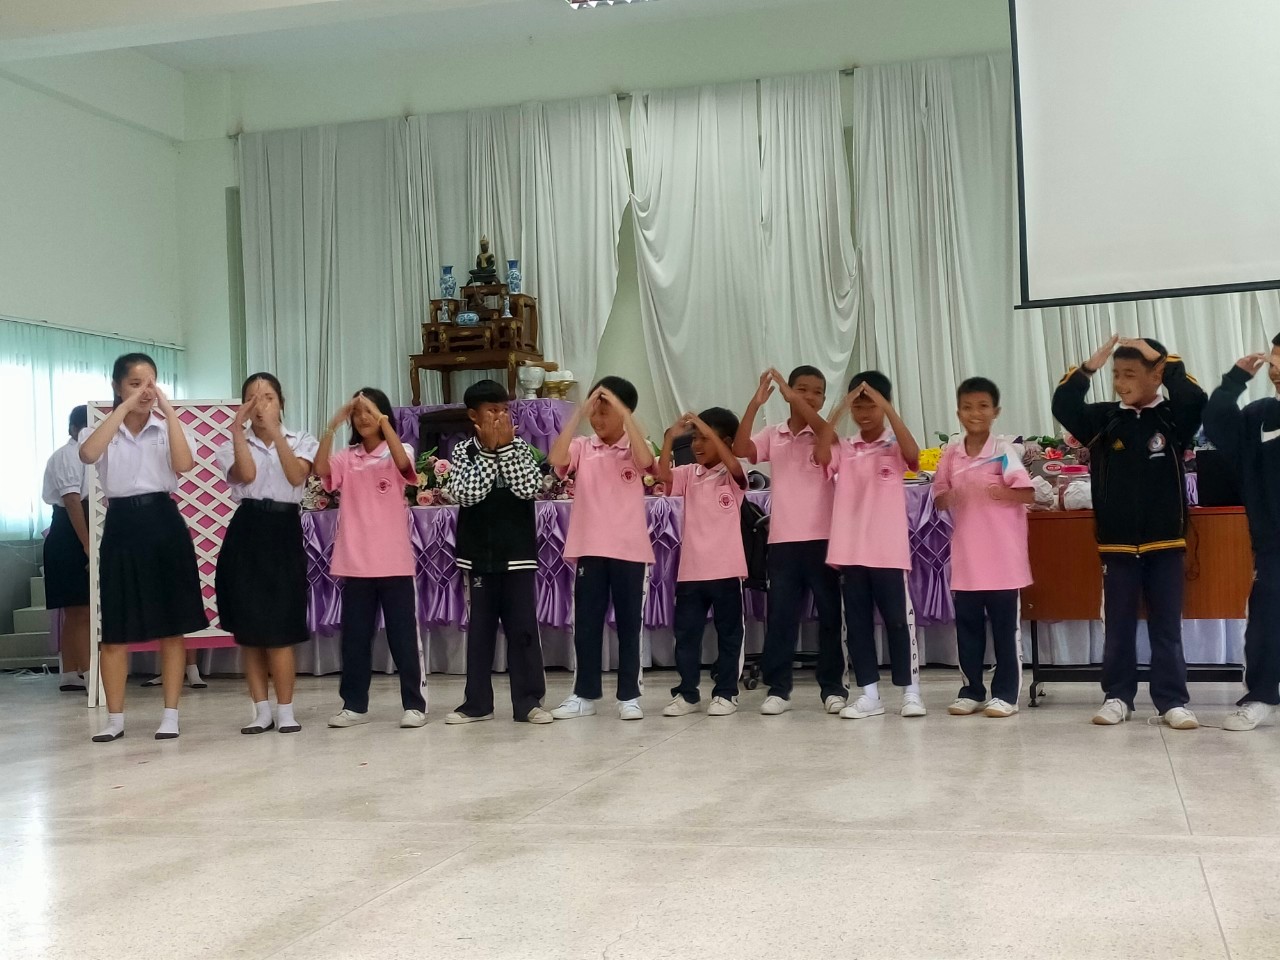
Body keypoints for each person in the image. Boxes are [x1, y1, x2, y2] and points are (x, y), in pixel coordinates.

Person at [1052, 336, 1206, 729]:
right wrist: (1088, 369)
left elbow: (1194, 398)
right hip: (1117, 545)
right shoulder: (1104, 420)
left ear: (1156, 376)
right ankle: (1117, 697)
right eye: (1117, 375)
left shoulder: (1173, 418)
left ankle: (1172, 701)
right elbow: (1064, 405)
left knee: (1166, 627)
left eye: (1131, 374)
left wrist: (1163, 360)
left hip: (1165, 542)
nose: (1121, 383)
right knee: (1118, 627)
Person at [78, 354, 208, 742]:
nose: (145, 391)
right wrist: (122, 410)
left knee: (172, 625)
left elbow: (184, 464)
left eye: (150, 383)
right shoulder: (99, 431)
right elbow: (88, 455)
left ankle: (170, 714)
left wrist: (168, 410)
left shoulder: (168, 427)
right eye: (135, 384)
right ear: (117, 387)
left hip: (163, 522)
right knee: (114, 629)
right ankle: (115, 719)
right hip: (121, 524)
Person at [315, 387, 427, 729]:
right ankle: (354, 705)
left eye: (370, 411)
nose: (363, 418)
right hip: (355, 562)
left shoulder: (399, 449)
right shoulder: (347, 457)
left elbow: (404, 465)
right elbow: (320, 469)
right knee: (355, 638)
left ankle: (414, 704)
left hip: (393, 562)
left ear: (383, 414)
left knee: (402, 636)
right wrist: (332, 425)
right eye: (357, 412)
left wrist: (384, 422)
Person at [733, 366, 843, 716]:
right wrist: (755, 403)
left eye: (817, 391)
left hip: (824, 540)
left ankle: (833, 687)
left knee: (830, 617)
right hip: (782, 542)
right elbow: (740, 448)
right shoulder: (774, 434)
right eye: (802, 389)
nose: (809, 396)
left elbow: (829, 437)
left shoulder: (824, 434)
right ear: (788, 391)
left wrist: (797, 400)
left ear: (823, 399)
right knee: (781, 618)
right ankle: (778, 689)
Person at [443, 379, 553, 725]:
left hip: (518, 552)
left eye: (505, 410)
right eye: (492, 410)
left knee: (523, 629)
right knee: (480, 631)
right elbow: (467, 494)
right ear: (473, 416)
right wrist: (489, 453)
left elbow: (528, 488)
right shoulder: (463, 452)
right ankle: (477, 704)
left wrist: (503, 450)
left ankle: (528, 702)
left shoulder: (521, 448)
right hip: (478, 555)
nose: (500, 417)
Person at [817, 371, 924, 720]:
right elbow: (821, 454)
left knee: (898, 622)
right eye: (858, 407)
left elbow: (913, 455)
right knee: (858, 625)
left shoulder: (893, 444)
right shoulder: (845, 447)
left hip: (888, 551)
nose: (864, 413)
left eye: (871, 406)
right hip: (850, 551)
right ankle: (869, 695)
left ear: (885, 405)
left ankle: (911, 692)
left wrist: (888, 409)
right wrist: (839, 407)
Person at [214, 373, 318, 735]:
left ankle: (286, 710)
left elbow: (296, 476)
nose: (260, 405)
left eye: (268, 397)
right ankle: (261, 711)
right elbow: (246, 474)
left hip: (284, 531)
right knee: (250, 630)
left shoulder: (302, 440)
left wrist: (275, 432)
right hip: (247, 531)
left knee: (280, 628)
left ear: (281, 403)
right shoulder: (231, 443)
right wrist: (237, 430)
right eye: (252, 398)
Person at [548, 377, 655, 721]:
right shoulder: (583, 446)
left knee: (629, 625)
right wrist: (579, 413)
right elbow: (556, 458)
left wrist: (624, 411)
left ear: (625, 412)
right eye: (595, 412)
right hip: (590, 549)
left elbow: (646, 460)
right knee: (587, 625)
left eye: (605, 411)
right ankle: (584, 695)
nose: (598, 419)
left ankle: (629, 696)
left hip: (630, 551)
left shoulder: (634, 447)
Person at [932, 377, 1035, 718]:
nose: (975, 413)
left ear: (995, 411)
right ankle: (971, 690)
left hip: (1004, 560)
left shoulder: (1003, 452)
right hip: (967, 560)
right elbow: (939, 497)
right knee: (968, 630)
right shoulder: (951, 454)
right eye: (967, 407)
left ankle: (1006, 694)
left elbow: (1027, 493)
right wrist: (950, 496)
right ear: (958, 412)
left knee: (1006, 631)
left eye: (982, 406)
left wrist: (1002, 492)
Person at [1202, 338, 1280, 731]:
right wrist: (1234, 380)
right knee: (1267, 618)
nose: (1276, 368)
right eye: (1275, 360)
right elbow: (1217, 423)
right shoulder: (1260, 415)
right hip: (1273, 543)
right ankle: (1262, 695)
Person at [654, 407, 748, 717]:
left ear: (726, 442)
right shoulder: (688, 474)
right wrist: (670, 438)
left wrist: (711, 435)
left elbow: (734, 465)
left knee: (729, 634)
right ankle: (687, 693)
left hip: (726, 570)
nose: (697, 445)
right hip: (691, 572)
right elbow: (663, 475)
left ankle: (726, 693)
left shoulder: (733, 476)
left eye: (705, 438)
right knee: (686, 635)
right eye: (694, 438)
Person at [41, 405, 90, 692]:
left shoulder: (94, 454)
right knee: (79, 609)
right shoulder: (67, 456)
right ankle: (91, 677)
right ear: (73, 429)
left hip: (83, 527)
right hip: (69, 532)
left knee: (78, 610)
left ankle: (70, 673)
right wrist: (86, 544)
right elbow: (72, 501)